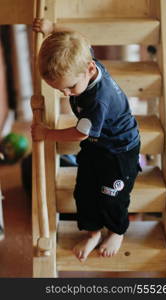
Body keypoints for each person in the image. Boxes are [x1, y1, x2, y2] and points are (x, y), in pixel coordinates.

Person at [32, 18, 142, 262]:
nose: (65, 93)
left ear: (90, 69)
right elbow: (73, 40)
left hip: (119, 151)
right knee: (83, 192)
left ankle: (117, 230)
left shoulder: (97, 102)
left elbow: (80, 132)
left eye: (70, 87)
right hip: (97, 146)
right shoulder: (81, 58)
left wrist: (47, 134)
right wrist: (51, 30)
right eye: (60, 89)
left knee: (111, 197)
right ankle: (93, 232)